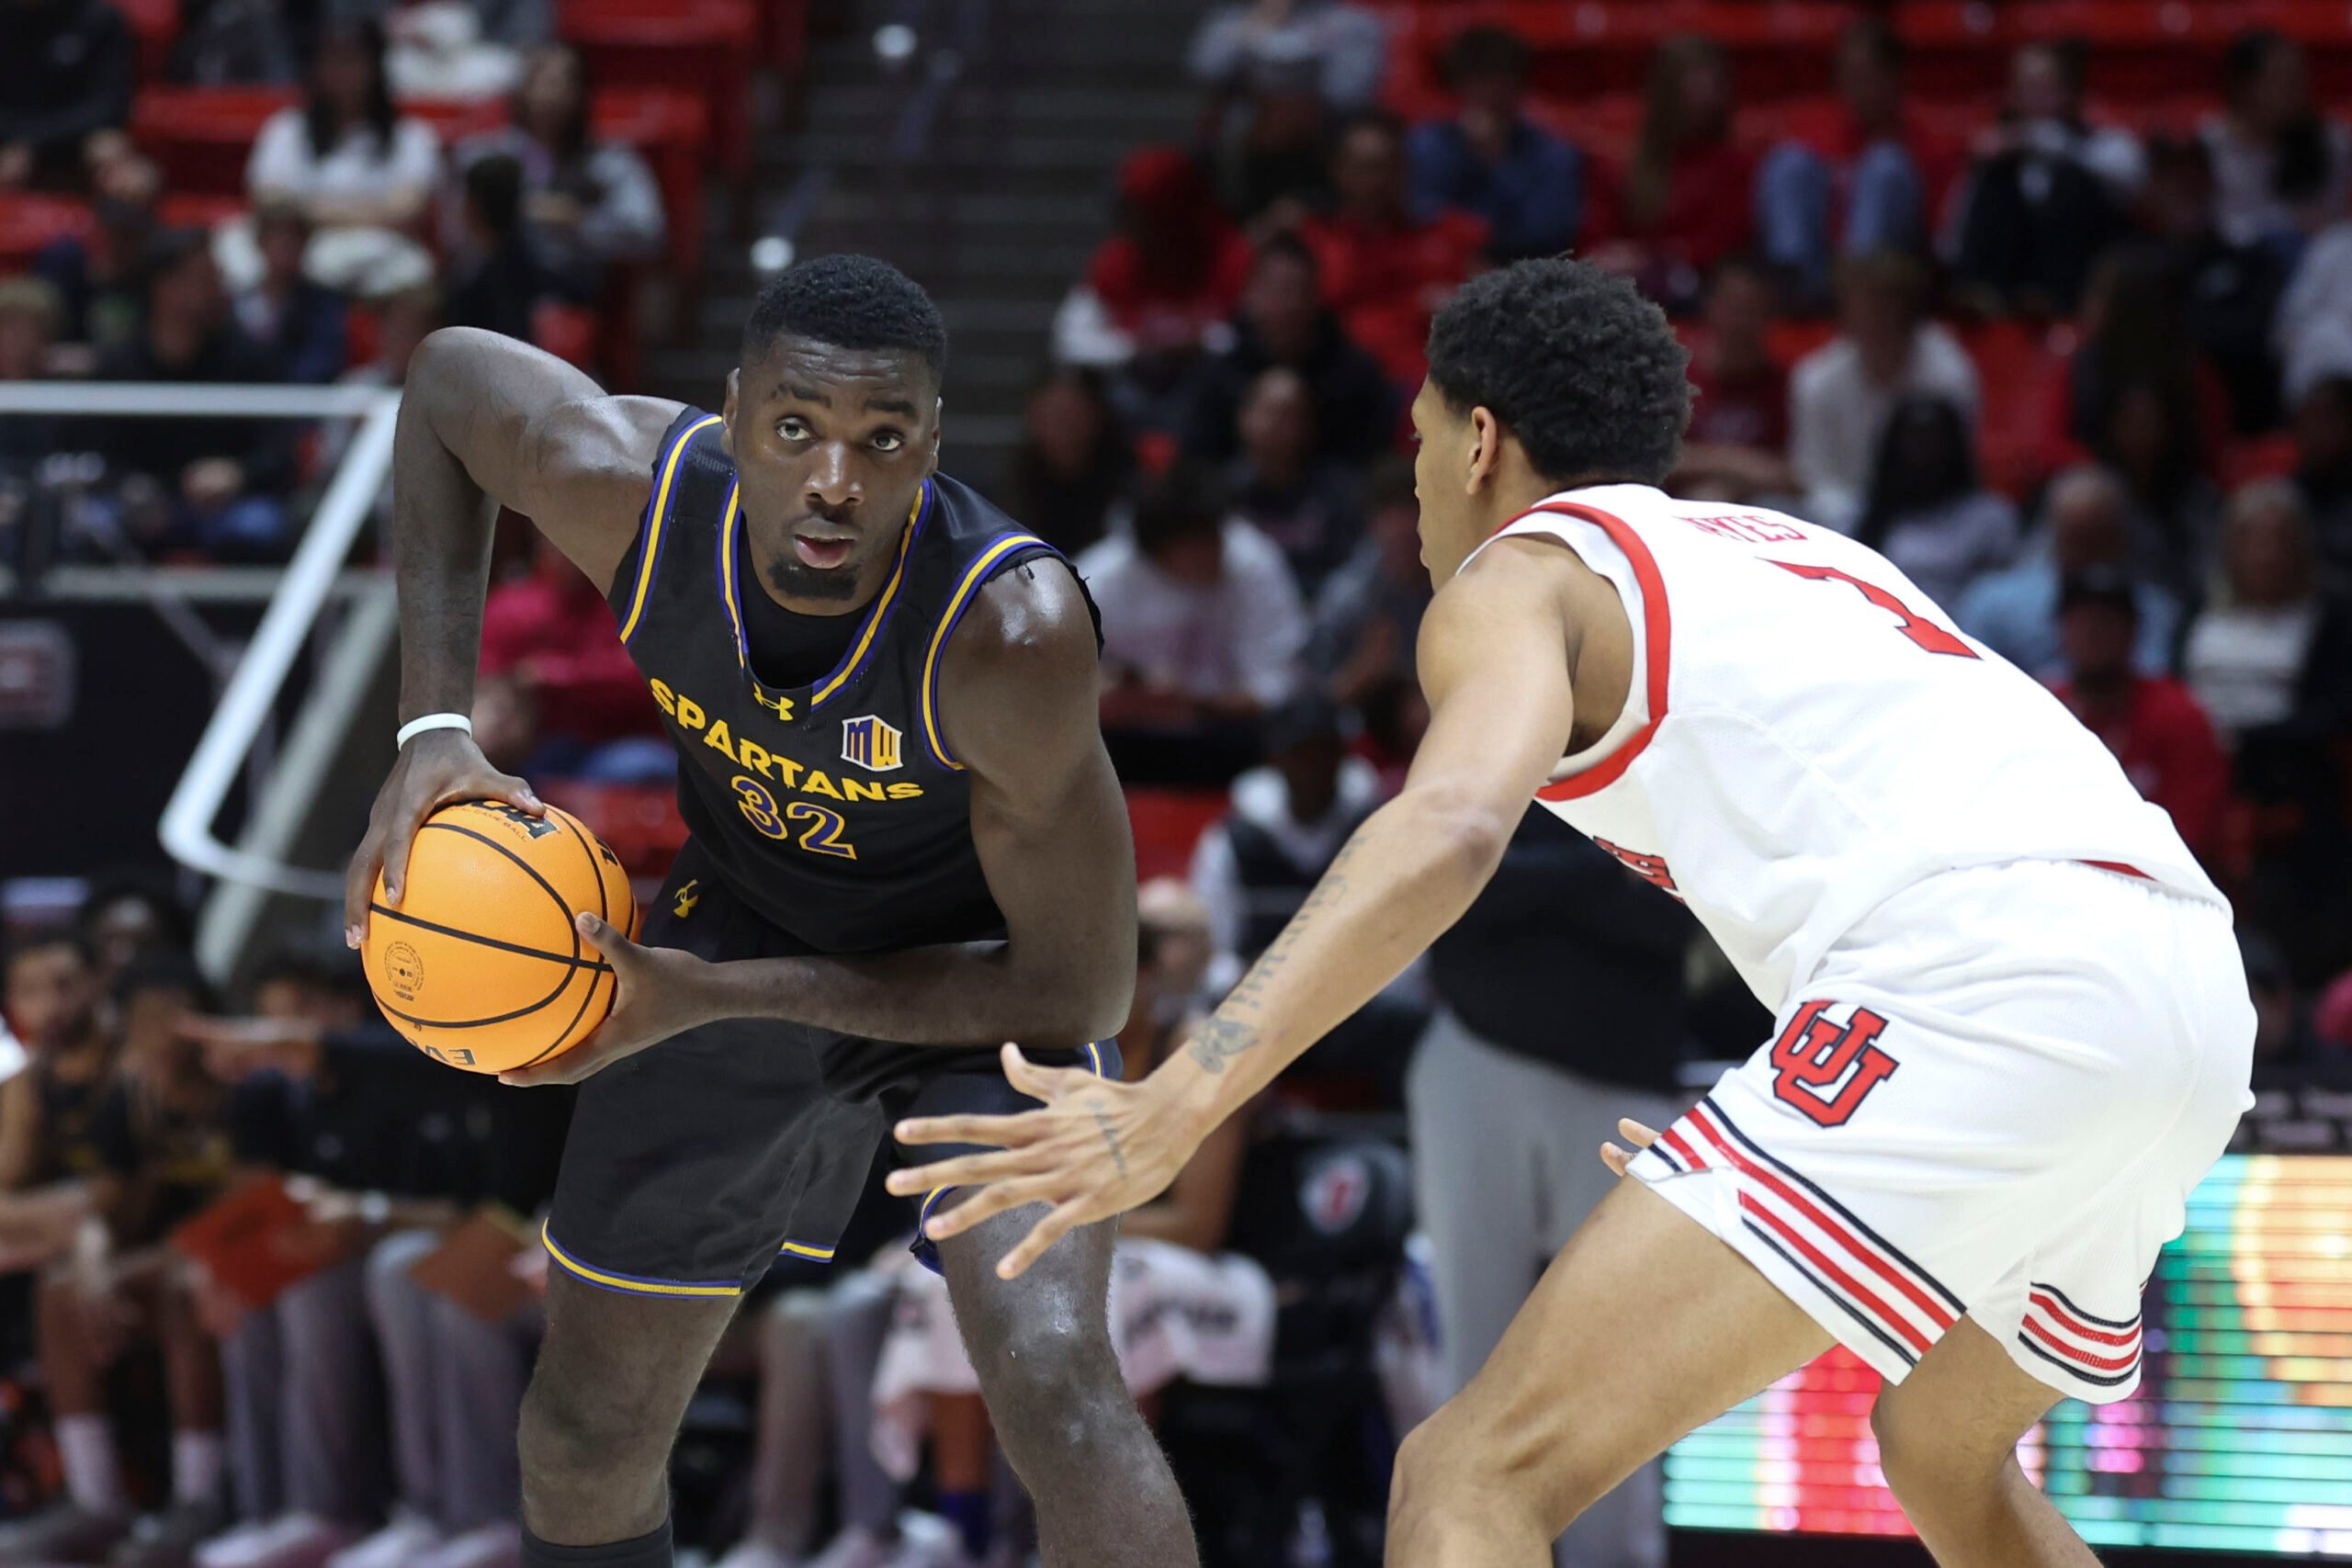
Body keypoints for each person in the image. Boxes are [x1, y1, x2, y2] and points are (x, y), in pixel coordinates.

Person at [895, 256, 2254, 1568]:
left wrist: (1181, 1095)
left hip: (1986, 979)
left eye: (1421, 438)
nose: (1416, 483)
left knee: (1469, 1472)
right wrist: (1773, 1107)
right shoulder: (1777, 546)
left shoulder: (1524, 572)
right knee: (1942, 1451)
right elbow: (1873, 824)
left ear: (1479, 439)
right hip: (2182, 985)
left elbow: (1449, 824)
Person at [338, 253, 1197, 1568]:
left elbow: (1077, 991)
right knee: (582, 1428)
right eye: (797, 428)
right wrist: (435, 723)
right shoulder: (633, 492)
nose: (835, 482)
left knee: (1059, 1384)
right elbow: (449, 380)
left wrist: (710, 995)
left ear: (933, 448)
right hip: (741, 910)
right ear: (734, 415)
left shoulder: (1008, 633)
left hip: (975, 976)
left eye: (882, 438)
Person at [1409, 807, 1696, 1568]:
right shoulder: (1498, 738)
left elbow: (1677, 918)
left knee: (1620, 1359)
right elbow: (1450, 879)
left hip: (1620, 1078)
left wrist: (1533, 878)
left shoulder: (1668, 756)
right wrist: (1599, 874)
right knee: (1474, 1349)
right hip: (1473, 1051)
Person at [1077, 460, 1306, 785]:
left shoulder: (1254, 564)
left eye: (1217, 537)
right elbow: (1061, 686)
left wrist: (1191, 702)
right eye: (1198, 546)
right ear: (1158, 551)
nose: (1216, 553)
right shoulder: (1101, 581)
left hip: (1228, 736)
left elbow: (1278, 685)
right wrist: (1121, 697)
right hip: (1125, 739)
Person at [93, 229, 300, 562]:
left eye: (217, 277)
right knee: (97, 522)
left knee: (262, 525)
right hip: (146, 505)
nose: (217, 290)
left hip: (232, 506)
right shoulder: (118, 366)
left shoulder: (249, 360)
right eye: (204, 277)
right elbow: (101, 458)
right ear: (164, 286)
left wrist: (237, 474)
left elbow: (280, 451)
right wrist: (144, 489)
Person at [1754, 17, 1950, 309]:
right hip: (1819, 275)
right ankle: (1791, 287)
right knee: (1788, 163)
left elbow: (1941, 238)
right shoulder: (1814, 127)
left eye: (1865, 77)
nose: (1853, 88)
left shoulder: (1929, 141)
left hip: (1892, 276)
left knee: (1886, 164)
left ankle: (1859, 291)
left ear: (1893, 77)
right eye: (1847, 76)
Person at [451, 41, 666, 303]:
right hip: (501, 276)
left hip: (571, 278)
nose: (550, 93)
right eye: (540, 79)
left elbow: (648, 231)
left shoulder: (609, 161)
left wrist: (579, 221)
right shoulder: (492, 155)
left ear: (581, 93)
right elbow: (457, 223)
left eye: (561, 82)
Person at [244, 20, 441, 297]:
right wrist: (369, 209)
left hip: (381, 251)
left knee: (412, 272)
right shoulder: (285, 130)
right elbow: (271, 201)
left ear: (375, 65)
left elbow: (406, 210)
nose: (342, 71)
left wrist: (313, 210)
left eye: (352, 59)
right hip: (302, 251)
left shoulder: (412, 136)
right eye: (333, 59)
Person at [1295, 111, 1488, 389]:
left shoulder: (1450, 235)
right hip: (1334, 389)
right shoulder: (1312, 240)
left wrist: (1462, 305)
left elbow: (1495, 308)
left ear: (1404, 169)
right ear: (1338, 170)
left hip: (1432, 387)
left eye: (1387, 166)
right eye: (1364, 167)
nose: (1376, 180)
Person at [2047, 571, 2231, 863]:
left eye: (2108, 620)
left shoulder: (2179, 714)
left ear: (2134, 630)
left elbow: (2193, 832)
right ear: (2060, 630)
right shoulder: (2044, 712)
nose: (2095, 630)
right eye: (2082, 619)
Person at [1787, 251, 1977, 531]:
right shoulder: (1816, 379)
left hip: (1935, 516)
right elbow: (1816, 476)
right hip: (1846, 516)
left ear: (1908, 309)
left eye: (1884, 306)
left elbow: (1961, 470)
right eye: (1861, 305)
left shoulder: (1948, 373)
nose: (1872, 317)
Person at [1948, 39, 2140, 317]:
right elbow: (1954, 234)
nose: (2033, 96)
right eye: (2024, 86)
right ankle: (1981, 295)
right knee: (1996, 181)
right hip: (2006, 288)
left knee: (2072, 184)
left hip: (2074, 288)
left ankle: (2047, 298)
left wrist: (2042, 140)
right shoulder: (1997, 153)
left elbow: (2131, 180)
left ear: (2069, 90)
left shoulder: (2101, 143)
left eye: (2045, 85)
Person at [1176, 233, 1396, 468]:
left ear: (1317, 297)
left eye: (1300, 290)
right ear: (1250, 295)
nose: (1290, 303)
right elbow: (1196, 465)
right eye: (1278, 290)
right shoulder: (1217, 373)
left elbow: (1372, 465)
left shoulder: (1354, 375)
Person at [1956, 465, 2182, 681]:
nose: (2089, 552)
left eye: (2100, 537)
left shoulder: (2154, 610)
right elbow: (1970, 682)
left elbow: (2152, 681)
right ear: (2054, 535)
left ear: (2122, 538)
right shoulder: (1991, 605)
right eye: (2078, 538)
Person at [2139, 135, 2288, 435]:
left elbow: (2257, 341)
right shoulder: (2129, 265)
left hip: (2242, 427)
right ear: (2152, 188)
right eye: (2172, 177)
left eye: (2194, 175)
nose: (2184, 187)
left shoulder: (2252, 262)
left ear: (2211, 183)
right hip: (2151, 432)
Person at [1405, 27, 1591, 264]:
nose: (1492, 93)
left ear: (1521, 85)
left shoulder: (1554, 153)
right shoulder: (1425, 145)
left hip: (1529, 274)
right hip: (1446, 272)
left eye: (1504, 80)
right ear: (1457, 84)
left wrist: (1495, 161)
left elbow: (1551, 230)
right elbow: (1420, 221)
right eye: (1479, 80)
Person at [1607, 35, 1752, 310]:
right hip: (1636, 282)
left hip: (1702, 288)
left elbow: (1721, 246)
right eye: (1695, 81)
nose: (1706, 92)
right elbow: (1609, 234)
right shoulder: (1631, 162)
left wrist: (1654, 258)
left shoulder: (1736, 165)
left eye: (1713, 82)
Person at [1849, 395, 2018, 612]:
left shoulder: (1990, 518)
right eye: (1913, 441)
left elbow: (2002, 601)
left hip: (1963, 634)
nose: (1923, 454)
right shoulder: (1859, 517)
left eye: (1933, 441)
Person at [2200, 28, 2352, 256]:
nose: (2296, 91)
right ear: (2244, 86)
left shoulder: (2333, 143)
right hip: (2235, 268)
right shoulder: (2210, 147)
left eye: (2299, 78)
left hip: (2313, 270)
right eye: (2280, 79)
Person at [1221, 365, 1362, 596]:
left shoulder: (1341, 492)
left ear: (1308, 426)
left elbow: (1348, 572)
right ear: (1244, 417)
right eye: (1268, 411)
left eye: (1288, 415)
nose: (1275, 425)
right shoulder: (1224, 491)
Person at [1675, 257, 1796, 502]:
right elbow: (1650, 461)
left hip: (1760, 513)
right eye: (1732, 307)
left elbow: (1793, 476)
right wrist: (1736, 462)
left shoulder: (1786, 384)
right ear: (1709, 305)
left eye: (1752, 310)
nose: (1740, 322)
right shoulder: (1674, 374)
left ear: (1771, 316)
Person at [0, 0, 135, 192]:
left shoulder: (99, 18)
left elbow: (108, 107)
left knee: (108, 148)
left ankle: (110, 220)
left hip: (72, 142)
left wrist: (32, 144)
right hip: (7, 138)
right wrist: (14, 141)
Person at [1002, 367, 1132, 557]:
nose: (1063, 426)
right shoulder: (1019, 478)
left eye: (1072, 414)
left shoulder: (1127, 479)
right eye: (1052, 414)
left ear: (1097, 415)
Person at [233, 201, 351, 386]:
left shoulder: (325, 305)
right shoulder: (235, 303)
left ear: (305, 243)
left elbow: (322, 363)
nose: (284, 244)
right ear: (259, 243)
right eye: (275, 236)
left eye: (292, 237)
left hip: (304, 404)